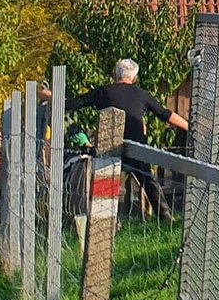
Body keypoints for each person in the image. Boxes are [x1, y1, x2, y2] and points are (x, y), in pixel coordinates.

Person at [63, 59, 191, 217]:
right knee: (148, 181)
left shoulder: (103, 91)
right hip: (136, 148)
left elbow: (77, 103)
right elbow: (165, 114)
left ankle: (105, 218)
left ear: (114, 74)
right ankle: (165, 215)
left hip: (109, 147)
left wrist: (54, 100)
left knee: (106, 183)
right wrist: (189, 127)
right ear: (134, 78)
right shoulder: (142, 94)